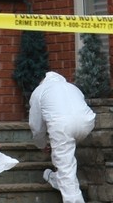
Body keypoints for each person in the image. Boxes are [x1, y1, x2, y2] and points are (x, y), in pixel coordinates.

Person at [29, 71, 96, 203]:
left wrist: (42, 144)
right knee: (65, 158)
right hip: (87, 122)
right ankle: (56, 178)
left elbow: (36, 125)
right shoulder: (72, 87)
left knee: (66, 168)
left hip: (62, 126)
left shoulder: (40, 90)